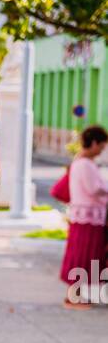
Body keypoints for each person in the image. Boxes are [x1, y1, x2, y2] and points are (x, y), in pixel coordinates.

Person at [59, 124, 108, 309]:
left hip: (86, 216)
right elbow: (94, 188)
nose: (102, 150)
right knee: (82, 256)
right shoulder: (85, 164)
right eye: (102, 146)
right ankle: (74, 297)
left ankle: (76, 296)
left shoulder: (79, 161)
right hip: (88, 217)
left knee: (85, 256)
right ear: (94, 143)